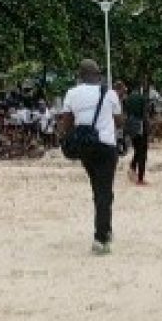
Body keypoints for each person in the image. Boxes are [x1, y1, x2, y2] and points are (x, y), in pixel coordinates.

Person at [58, 59, 123, 255]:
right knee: (105, 191)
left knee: (97, 189)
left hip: (85, 148)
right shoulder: (109, 93)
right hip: (105, 146)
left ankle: (106, 229)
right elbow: (119, 122)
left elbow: (66, 124)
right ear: (96, 75)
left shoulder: (71, 94)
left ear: (80, 76)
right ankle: (100, 238)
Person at [124, 86, 153, 185]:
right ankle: (140, 178)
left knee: (137, 149)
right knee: (143, 152)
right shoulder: (142, 99)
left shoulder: (127, 99)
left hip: (130, 126)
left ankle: (132, 168)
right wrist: (148, 129)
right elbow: (145, 115)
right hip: (140, 126)